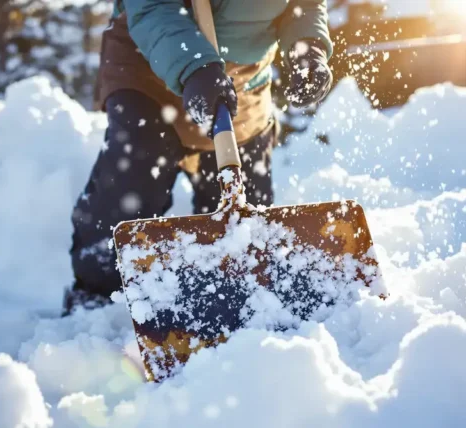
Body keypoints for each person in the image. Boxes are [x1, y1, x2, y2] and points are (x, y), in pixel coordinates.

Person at [62, 0, 335, 314]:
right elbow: (151, 7)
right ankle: (98, 292)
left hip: (242, 79)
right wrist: (196, 65)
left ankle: (229, 292)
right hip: (152, 59)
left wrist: (307, 47)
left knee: (245, 209)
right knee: (133, 179)